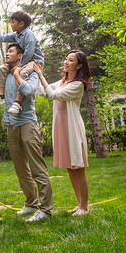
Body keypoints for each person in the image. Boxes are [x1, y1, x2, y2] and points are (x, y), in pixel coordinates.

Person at [0, 38, 53, 222]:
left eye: (10, 52)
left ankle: (45, 209)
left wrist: (18, 73)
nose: (6, 54)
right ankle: (31, 203)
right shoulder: (4, 74)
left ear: (20, 55)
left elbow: (28, 91)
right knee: (21, 168)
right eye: (6, 52)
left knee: (37, 167)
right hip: (11, 125)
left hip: (27, 123)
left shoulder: (32, 72)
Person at [33, 50, 92, 216]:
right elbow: (42, 90)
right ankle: (79, 203)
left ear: (79, 65)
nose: (66, 62)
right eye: (66, 58)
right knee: (70, 167)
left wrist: (41, 74)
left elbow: (52, 95)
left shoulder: (77, 85)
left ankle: (85, 207)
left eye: (71, 60)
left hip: (72, 129)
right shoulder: (63, 82)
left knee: (78, 167)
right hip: (61, 128)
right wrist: (32, 75)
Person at [0, 10, 44, 114]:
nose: (11, 24)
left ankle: (17, 102)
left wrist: (19, 66)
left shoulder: (28, 35)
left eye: (13, 22)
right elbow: (3, 38)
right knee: (2, 69)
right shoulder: (16, 35)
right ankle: (1, 96)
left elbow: (29, 52)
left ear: (21, 24)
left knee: (22, 73)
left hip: (35, 61)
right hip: (25, 61)